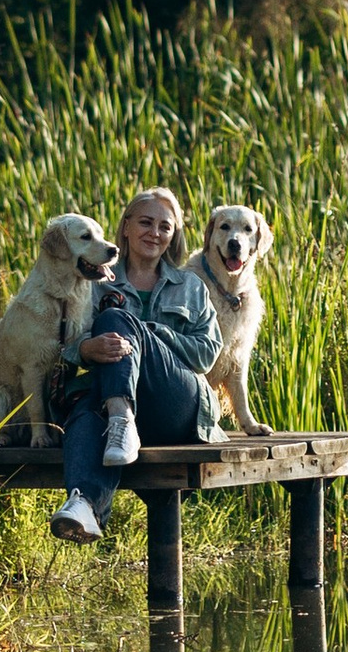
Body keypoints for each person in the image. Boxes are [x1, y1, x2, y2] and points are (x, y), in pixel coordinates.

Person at [51, 185, 222, 545]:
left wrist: (151, 336)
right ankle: (84, 505)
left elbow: (207, 354)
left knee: (119, 320)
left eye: (165, 227)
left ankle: (121, 418)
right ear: (126, 226)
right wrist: (87, 350)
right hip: (110, 410)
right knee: (85, 410)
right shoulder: (93, 283)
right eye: (146, 222)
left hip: (177, 406)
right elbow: (65, 343)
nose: (154, 233)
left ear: (173, 236)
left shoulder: (190, 286)